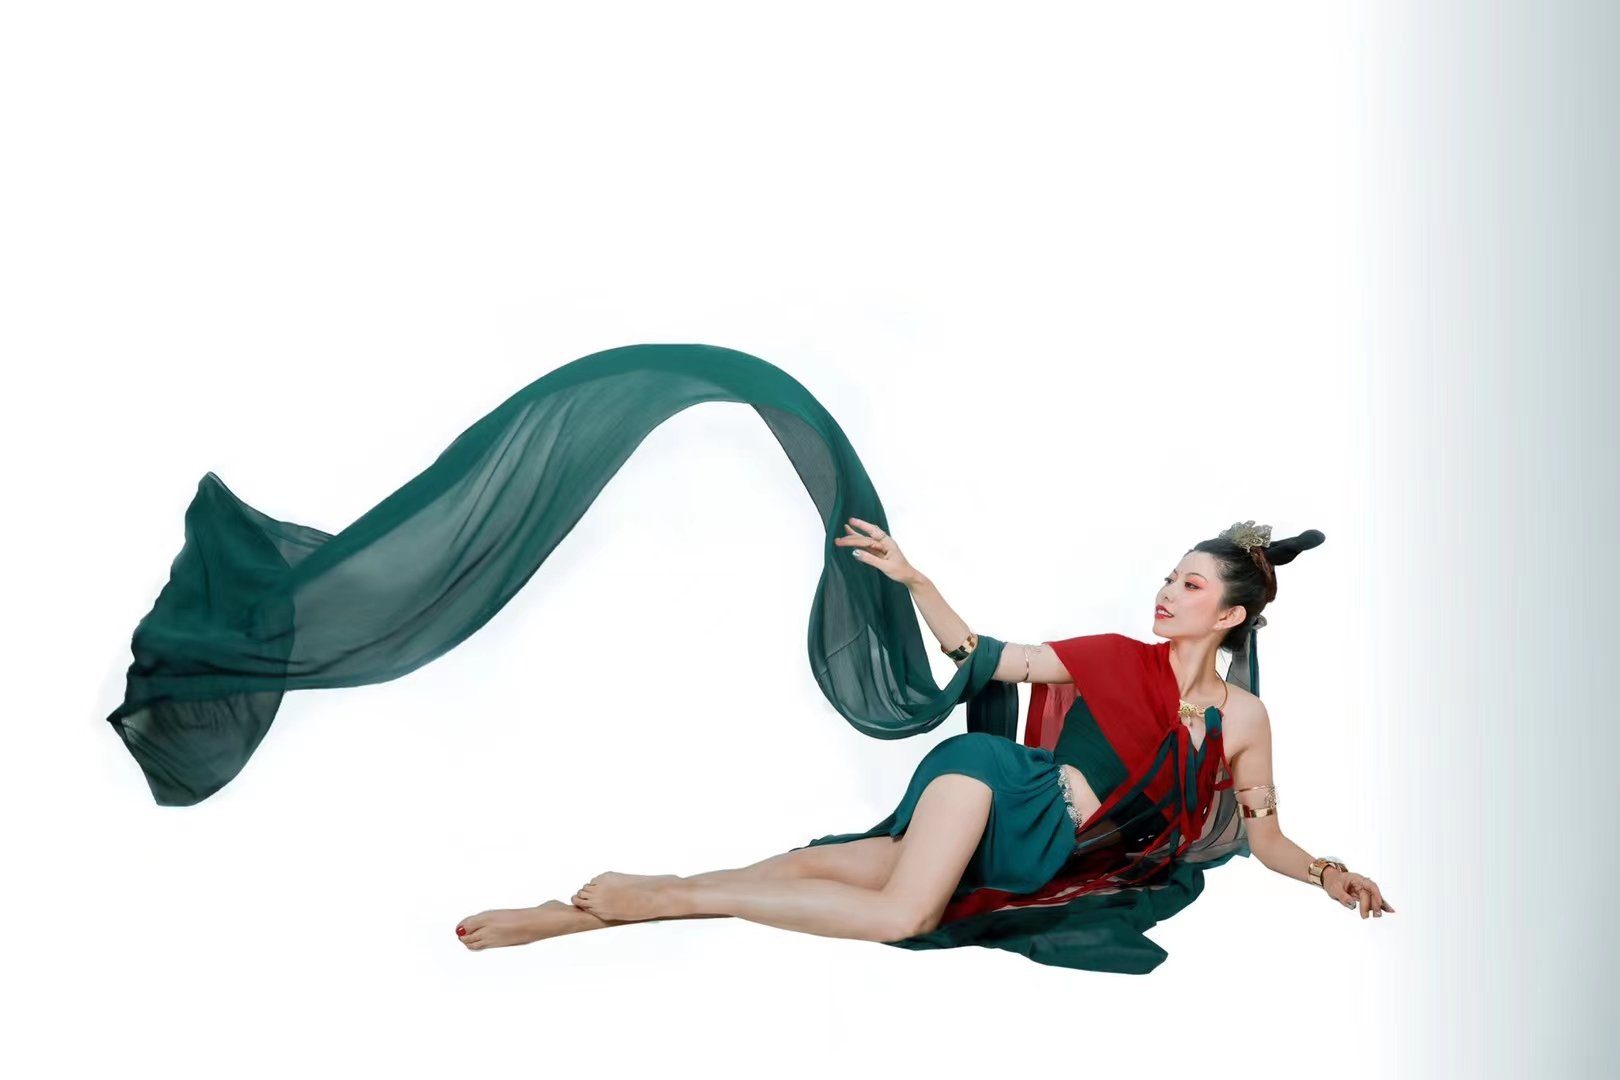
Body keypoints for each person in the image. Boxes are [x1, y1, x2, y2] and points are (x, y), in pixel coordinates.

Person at [454, 517, 1395, 968]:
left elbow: (1264, 835)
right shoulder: (1114, 656)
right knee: (902, 914)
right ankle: (667, 894)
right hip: (995, 786)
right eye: (1168, 576)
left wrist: (1327, 874)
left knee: (806, 871)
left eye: (1189, 585)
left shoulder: (1245, 720)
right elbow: (982, 656)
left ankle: (575, 916)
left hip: (1035, 853)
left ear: (1229, 614)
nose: (1165, 592)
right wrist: (915, 579)